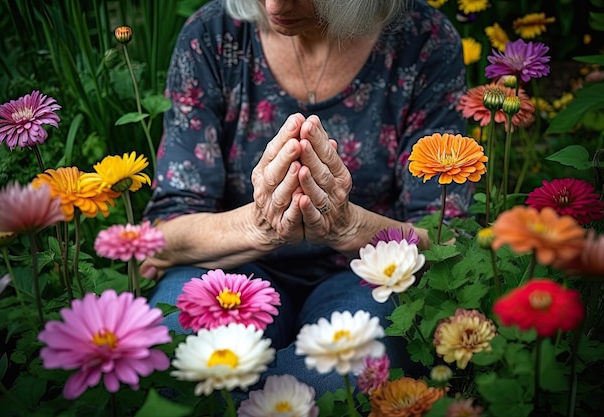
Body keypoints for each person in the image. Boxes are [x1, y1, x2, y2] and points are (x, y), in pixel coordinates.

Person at [140, 0, 472, 397]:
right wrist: (260, 226)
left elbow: (446, 238)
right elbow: (163, 234)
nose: (274, 4)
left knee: (346, 381)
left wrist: (347, 226)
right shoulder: (212, 36)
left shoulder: (424, 41)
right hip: (229, 266)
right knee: (177, 357)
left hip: (365, 279)